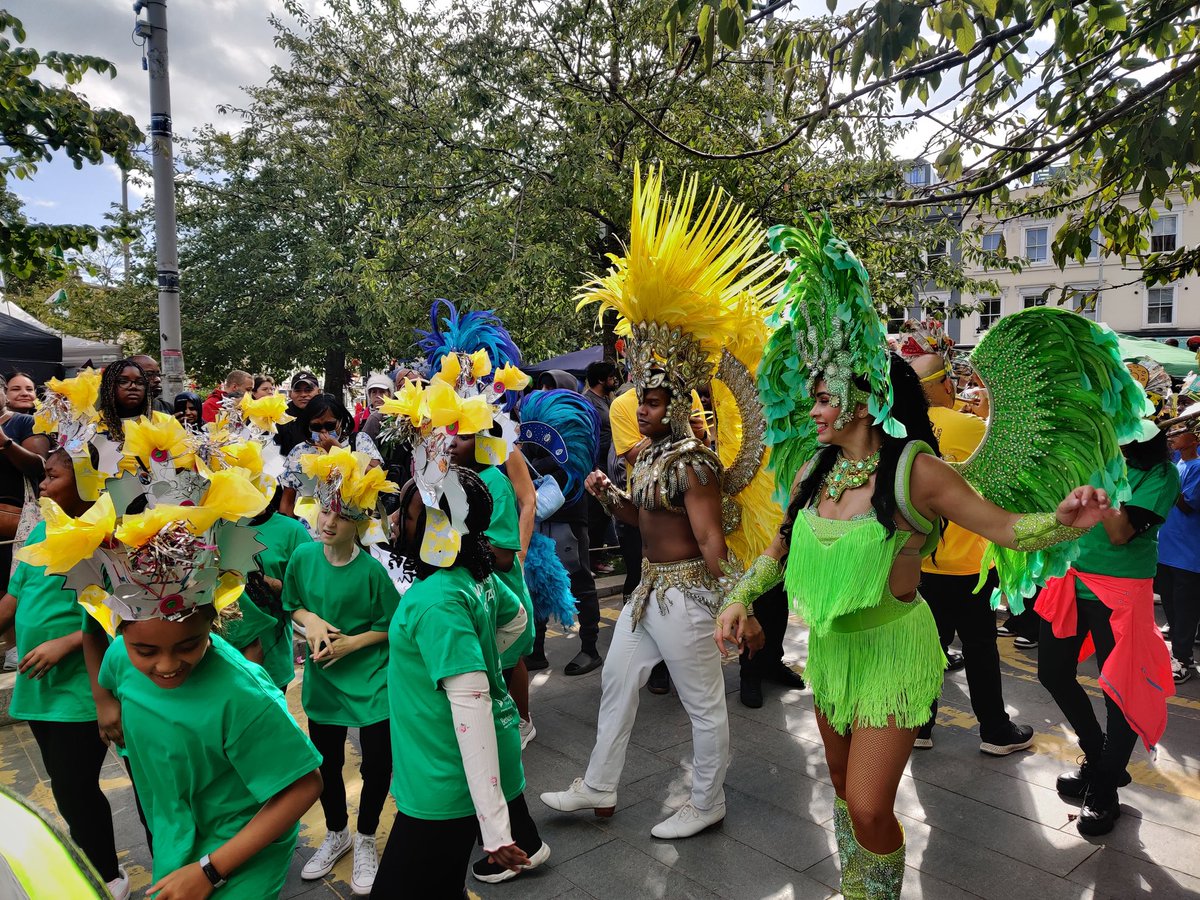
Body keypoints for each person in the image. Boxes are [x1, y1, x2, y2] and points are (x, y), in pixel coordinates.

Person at [717, 215, 1136, 899]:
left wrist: (1061, 521)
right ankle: (859, 889)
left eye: (823, 397)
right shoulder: (812, 474)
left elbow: (1004, 529)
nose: (813, 408)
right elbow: (777, 551)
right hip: (831, 653)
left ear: (861, 398)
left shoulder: (916, 469)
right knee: (846, 799)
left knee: (871, 805)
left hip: (895, 654)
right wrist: (739, 597)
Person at [542, 167, 779, 840]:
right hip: (647, 590)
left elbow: (708, 541)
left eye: (651, 400)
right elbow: (639, 524)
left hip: (688, 595)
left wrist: (740, 606)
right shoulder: (645, 458)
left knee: (704, 706)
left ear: (676, 402)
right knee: (617, 687)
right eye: (639, 398)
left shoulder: (697, 464)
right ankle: (600, 786)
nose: (641, 409)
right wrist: (608, 494)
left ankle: (708, 800)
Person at [21, 397, 324, 900]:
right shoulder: (119, 661)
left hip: (236, 856)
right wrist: (106, 705)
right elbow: (112, 666)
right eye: (145, 652)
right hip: (176, 839)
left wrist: (209, 870)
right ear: (122, 635)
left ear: (214, 621)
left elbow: (302, 786)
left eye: (188, 645)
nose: (165, 666)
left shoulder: (243, 696)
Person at [377, 468, 547, 895]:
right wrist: (487, 663)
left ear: (438, 527)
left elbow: (472, 711)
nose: (397, 520)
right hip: (448, 772)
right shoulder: (472, 573)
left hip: (442, 780)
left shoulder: (437, 601)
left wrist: (494, 831)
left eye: (410, 513)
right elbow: (517, 619)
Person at [1036, 417, 1180, 836]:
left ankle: (1103, 789)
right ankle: (1100, 759)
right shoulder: (1092, 457)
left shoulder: (1160, 475)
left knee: (1120, 690)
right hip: (1071, 580)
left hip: (1121, 592)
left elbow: (1119, 533)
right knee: (1053, 672)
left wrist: (1108, 475)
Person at [901, 325, 1035, 755]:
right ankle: (994, 731)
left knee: (926, 648)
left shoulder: (898, 431)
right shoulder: (970, 427)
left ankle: (920, 726)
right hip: (970, 564)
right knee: (979, 649)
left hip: (917, 563)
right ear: (943, 383)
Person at [0, 449, 128, 899]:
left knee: (75, 785)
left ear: (86, 484)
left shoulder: (109, 539)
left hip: (82, 686)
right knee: (64, 785)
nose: (43, 486)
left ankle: (109, 877)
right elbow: (16, 598)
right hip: (39, 689)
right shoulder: (38, 530)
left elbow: (122, 611)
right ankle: (94, 861)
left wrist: (66, 643)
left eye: (52, 477)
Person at [285, 447, 400, 896]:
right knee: (326, 763)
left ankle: (367, 837)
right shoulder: (302, 559)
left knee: (378, 761)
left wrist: (354, 642)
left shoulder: (373, 571)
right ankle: (337, 834)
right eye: (325, 511)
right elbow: (291, 604)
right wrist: (309, 620)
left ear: (360, 523)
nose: (328, 523)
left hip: (372, 677)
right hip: (324, 680)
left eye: (341, 516)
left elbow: (390, 626)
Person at [450, 429, 538, 747]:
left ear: (483, 443)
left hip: (501, 591)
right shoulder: (451, 477)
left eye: (463, 437)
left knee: (509, 660)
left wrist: (456, 543)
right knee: (491, 660)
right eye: (449, 435)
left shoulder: (494, 482)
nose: (452, 443)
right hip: (474, 590)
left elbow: (501, 556)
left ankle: (523, 722)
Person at [524, 372, 602, 676]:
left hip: (569, 516)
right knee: (537, 581)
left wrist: (537, 468)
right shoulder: (530, 429)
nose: (545, 393)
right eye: (542, 387)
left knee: (579, 578)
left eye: (551, 388)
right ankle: (536, 650)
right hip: (536, 516)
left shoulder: (577, 429)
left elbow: (571, 465)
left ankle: (590, 648)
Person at [279, 393, 382, 521]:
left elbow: (376, 477)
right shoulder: (299, 451)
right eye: (316, 426)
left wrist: (338, 452)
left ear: (340, 421)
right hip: (310, 528)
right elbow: (288, 501)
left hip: (350, 524)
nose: (323, 431)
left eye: (330, 425)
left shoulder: (359, 441)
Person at [1156, 410, 1200, 684]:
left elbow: (1188, 503)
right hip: (1167, 550)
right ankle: (1180, 654)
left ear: (1194, 439)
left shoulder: (1196, 466)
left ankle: (1183, 659)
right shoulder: (1177, 463)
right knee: (1172, 608)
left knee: (1184, 610)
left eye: (1182, 429)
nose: (1175, 433)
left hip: (1189, 554)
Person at [0, 373, 50, 594]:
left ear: (4, 393)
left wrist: (6, 443)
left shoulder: (25, 422)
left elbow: (39, 466)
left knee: (10, 591)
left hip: (12, 523)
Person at [583, 360, 619, 573]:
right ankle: (588, 561)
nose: (615, 380)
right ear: (600, 380)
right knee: (595, 515)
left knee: (605, 513)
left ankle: (596, 558)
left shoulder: (608, 399)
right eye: (611, 377)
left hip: (611, 464)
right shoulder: (588, 401)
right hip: (597, 465)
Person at [98, 358, 152, 441]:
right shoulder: (91, 425)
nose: (133, 386)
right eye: (123, 381)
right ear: (109, 387)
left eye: (140, 382)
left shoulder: (165, 422)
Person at [275, 370, 322, 455]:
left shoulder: (327, 414)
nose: (303, 394)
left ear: (318, 392)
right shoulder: (280, 417)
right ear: (290, 394)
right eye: (298, 391)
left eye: (308, 390)